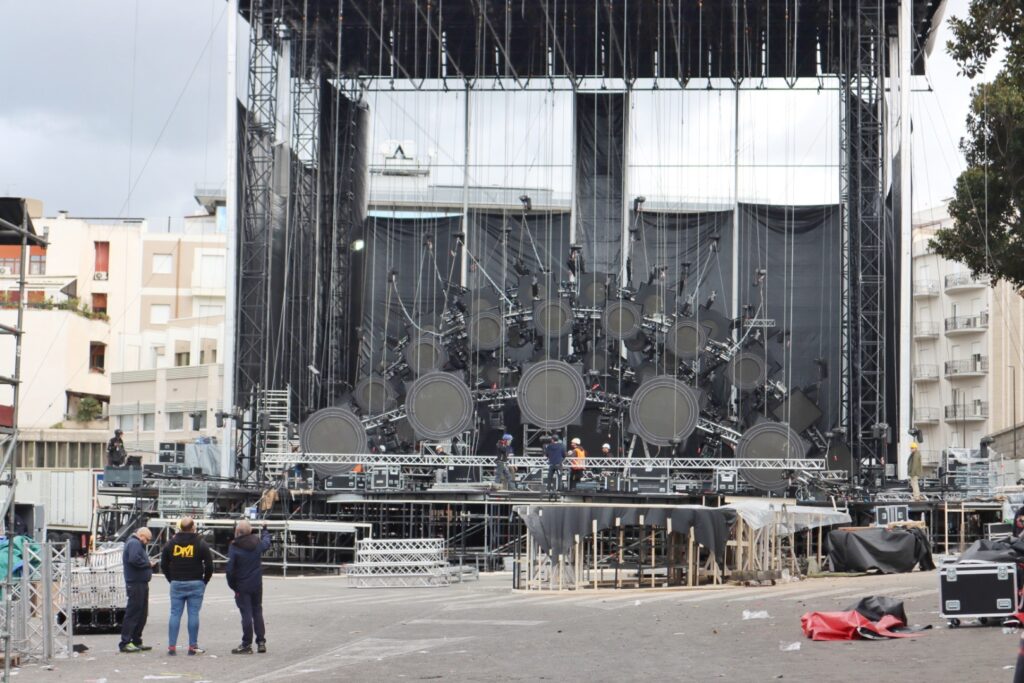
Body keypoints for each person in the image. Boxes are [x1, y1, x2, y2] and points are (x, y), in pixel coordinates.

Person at [160, 517, 214, 656]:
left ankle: (172, 647)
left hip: (177, 582)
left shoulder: (170, 544)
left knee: (175, 614)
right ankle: (192, 646)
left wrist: (170, 578)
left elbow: (163, 564)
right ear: (193, 528)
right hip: (196, 582)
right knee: (193, 614)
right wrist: (205, 580)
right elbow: (209, 565)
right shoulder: (201, 544)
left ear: (180, 528)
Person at [226, 520, 272, 654]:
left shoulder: (235, 546)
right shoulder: (257, 542)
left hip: (242, 585)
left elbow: (230, 570)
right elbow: (267, 543)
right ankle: (261, 641)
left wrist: (233, 586)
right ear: (250, 531)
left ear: (237, 532)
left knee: (246, 614)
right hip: (257, 583)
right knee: (257, 611)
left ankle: (247, 644)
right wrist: (265, 529)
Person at [119, 527, 156, 653]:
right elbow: (134, 559)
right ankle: (125, 642)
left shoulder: (135, 543)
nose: (147, 542)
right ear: (141, 535)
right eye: (147, 539)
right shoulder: (134, 543)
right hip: (135, 583)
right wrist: (148, 564)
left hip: (140, 583)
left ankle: (136, 640)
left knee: (141, 614)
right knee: (134, 613)